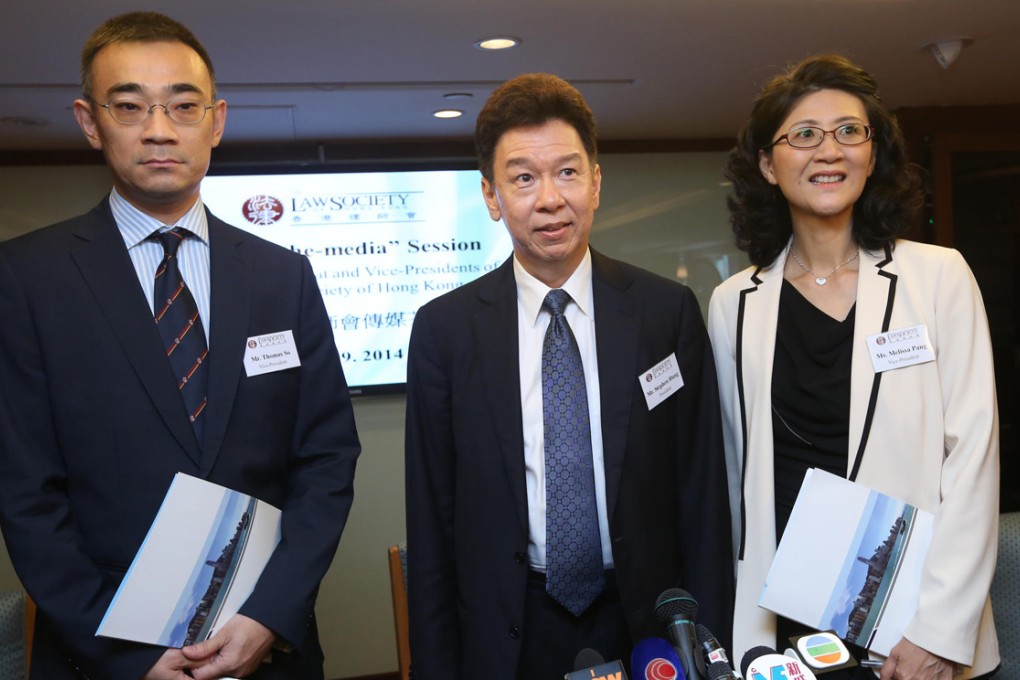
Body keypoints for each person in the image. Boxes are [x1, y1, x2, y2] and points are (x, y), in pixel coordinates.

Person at [0, 12, 360, 680]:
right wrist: (125, 655)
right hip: (100, 656)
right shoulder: (25, 279)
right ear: (89, 121)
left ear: (216, 121)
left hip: (264, 648)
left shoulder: (283, 277)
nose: (159, 130)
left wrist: (269, 616)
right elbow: (24, 491)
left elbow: (327, 459)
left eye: (184, 106)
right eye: (129, 106)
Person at [405, 73, 734, 679]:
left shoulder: (665, 313)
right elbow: (432, 521)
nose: (550, 198)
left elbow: (702, 495)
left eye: (567, 172)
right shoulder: (444, 331)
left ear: (596, 183)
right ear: (491, 196)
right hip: (508, 628)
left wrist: (711, 650)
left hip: (646, 625)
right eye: (523, 178)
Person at [708, 55, 999, 679]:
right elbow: (735, 479)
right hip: (779, 626)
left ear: (873, 153)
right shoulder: (734, 303)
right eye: (803, 134)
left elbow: (973, 462)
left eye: (849, 131)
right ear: (768, 164)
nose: (829, 150)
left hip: (908, 628)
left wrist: (938, 634)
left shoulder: (937, 277)